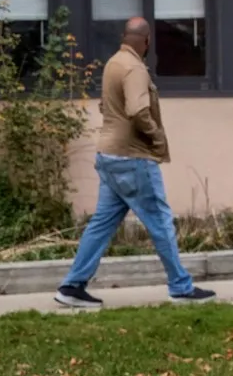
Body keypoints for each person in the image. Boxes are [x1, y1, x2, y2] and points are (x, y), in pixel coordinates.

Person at [55, 17, 217, 308]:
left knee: (102, 224)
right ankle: (180, 287)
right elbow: (138, 109)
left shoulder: (114, 63)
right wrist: (155, 137)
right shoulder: (135, 69)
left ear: (124, 37)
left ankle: (71, 286)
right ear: (147, 41)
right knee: (161, 222)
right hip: (133, 159)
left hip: (108, 156)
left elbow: (107, 106)